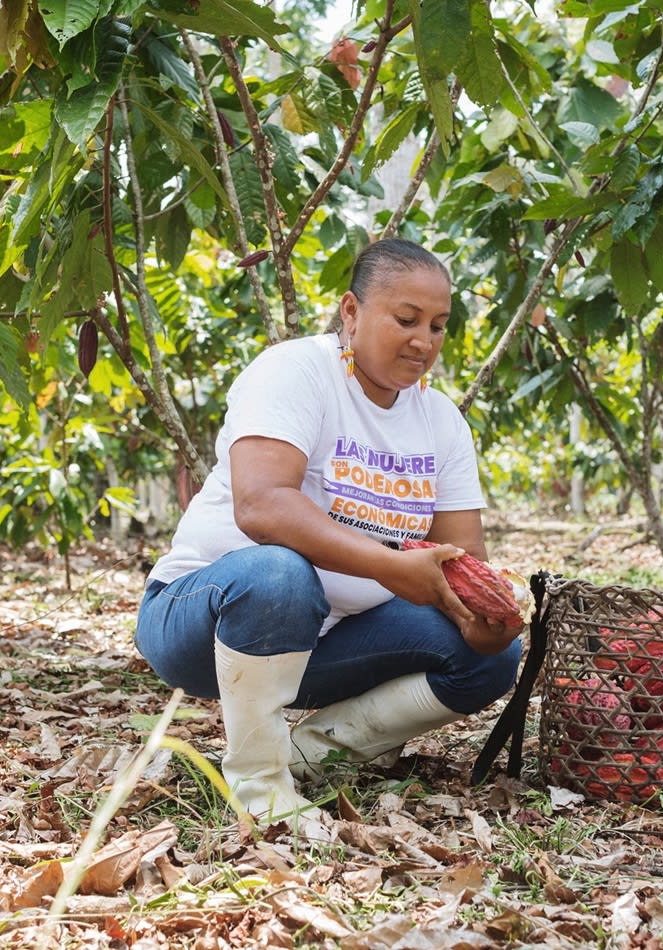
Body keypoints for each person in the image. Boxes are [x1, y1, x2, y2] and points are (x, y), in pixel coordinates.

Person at [134, 238, 523, 828]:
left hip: (333, 639)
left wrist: (483, 619)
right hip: (205, 618)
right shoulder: (296, 371)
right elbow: (262, 507)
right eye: (407, 319)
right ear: (351, 311)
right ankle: (258, 785)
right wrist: (390, 567)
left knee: (487, 660)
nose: (425, 341)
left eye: (439, 326)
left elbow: (462, 558)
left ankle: (310, 756)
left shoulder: (440, 420)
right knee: (279, 573)